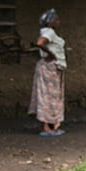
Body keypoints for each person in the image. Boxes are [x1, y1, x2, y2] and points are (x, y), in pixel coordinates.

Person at [28, 8, 67, 137]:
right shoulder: (49, 32)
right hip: (49, 68)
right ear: (51, 22)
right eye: (56, 20)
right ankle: (46, 127)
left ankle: (51, 126)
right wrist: (52, 54)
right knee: (48, 97)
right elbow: (40, 43)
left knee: (51, 97)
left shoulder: (49, 32)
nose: (58, 22)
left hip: (52, 68)